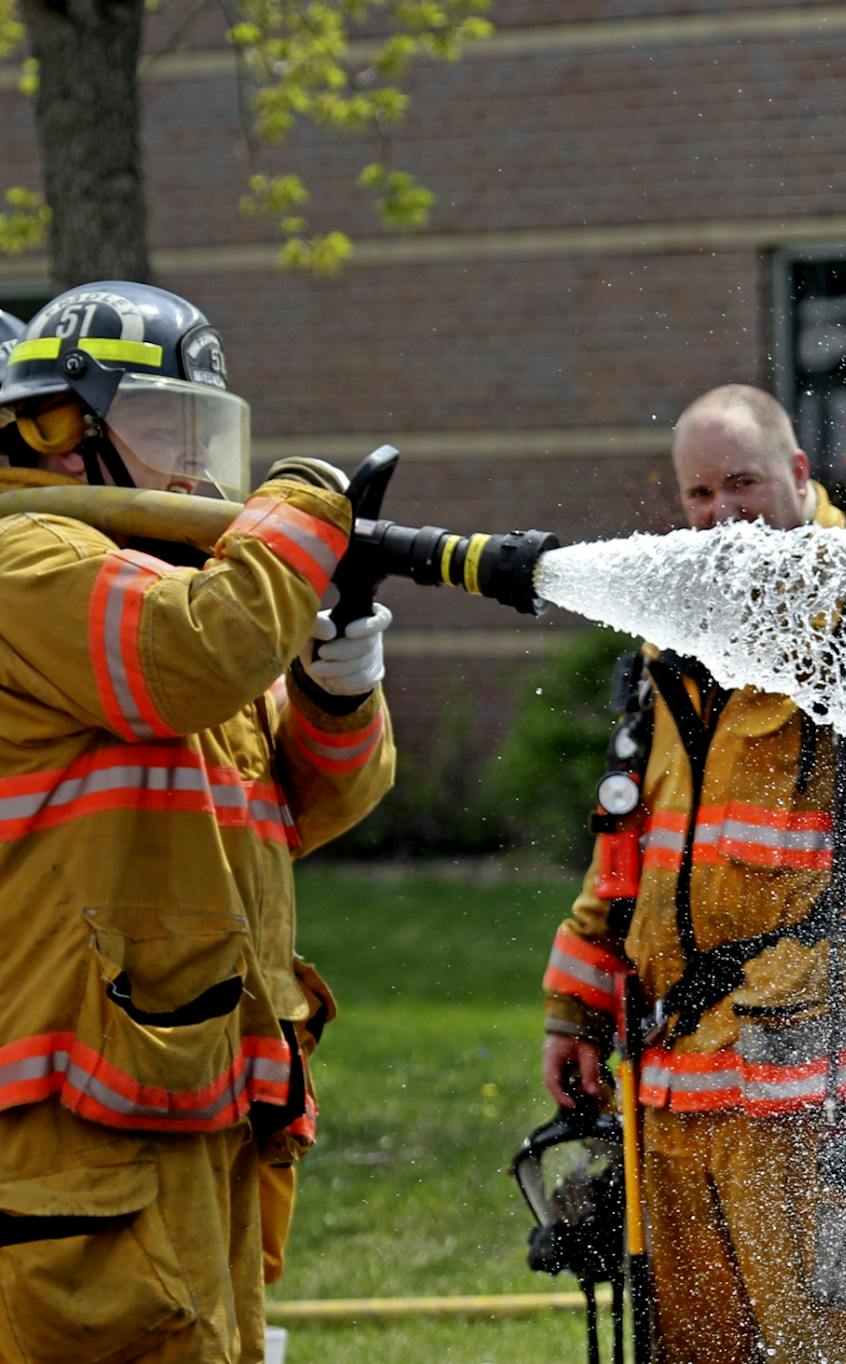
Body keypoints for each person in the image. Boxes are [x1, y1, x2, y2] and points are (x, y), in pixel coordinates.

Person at [0, 281, 396, 1362]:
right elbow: (186, 661)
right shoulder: (24, 565)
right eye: (165, 425)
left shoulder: (178, 584)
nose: (193, 464)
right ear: (56, 427)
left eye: (204, 431)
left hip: (196, 1107)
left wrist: (335, 679)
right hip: (71, 1137)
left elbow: (304, 804)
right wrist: (307, 508)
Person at [540, 385, 846, 1363]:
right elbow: (633, 852)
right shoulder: (666, 641)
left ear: (801, 475)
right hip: (674, 1081)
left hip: (819, 1080)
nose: (721, 513)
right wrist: (574, 1007)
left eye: (744, 482)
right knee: (698, 1349)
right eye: (699, 493)